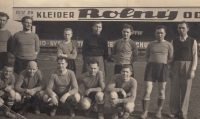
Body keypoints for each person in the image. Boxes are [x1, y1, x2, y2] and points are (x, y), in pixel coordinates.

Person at [140, 25, 173, 119]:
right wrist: (152, 63)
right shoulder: (151, 44)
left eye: (161, 33)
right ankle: (145, 112)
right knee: (147, 90)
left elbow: (171, 58)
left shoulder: (168, 44)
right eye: (158, 33)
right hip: (151, 67)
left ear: (165, 34)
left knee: (161, 91)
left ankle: (158, 111)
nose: (159, 34)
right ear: (155, 34)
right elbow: (146, 57)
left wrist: (163, 64)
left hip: (163, 68)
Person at [169, 21, 198, 119]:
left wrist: (193, 70)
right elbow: (171, 56)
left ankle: (183, 112)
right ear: (177, 29)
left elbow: (195, 57)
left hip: (188, 66)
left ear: (187, 29)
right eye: (179, 28)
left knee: (186, 90)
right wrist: (169, 67)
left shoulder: (192, 41)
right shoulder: (173, 41)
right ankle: (174, 111)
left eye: (183, 28)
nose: (181, 30)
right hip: (175, 65)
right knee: (174, 90)